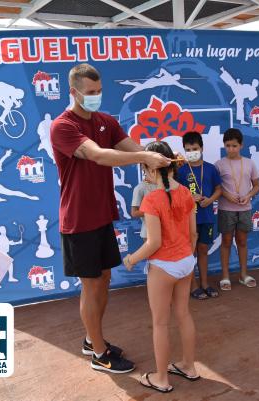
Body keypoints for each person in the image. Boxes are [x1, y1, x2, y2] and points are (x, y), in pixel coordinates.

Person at [50, 63, 170, 374]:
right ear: (73, 92)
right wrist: (145, 157)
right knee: (90, 285)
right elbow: (100, 155)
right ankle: (99, 354)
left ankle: (93, 339)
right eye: (90, 93)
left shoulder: (106, 121)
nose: (96, 97)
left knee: (104, 279)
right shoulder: (63, 126)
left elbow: (133, 148)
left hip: (103, 215)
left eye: (100, 91)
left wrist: (157, 159)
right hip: (78, 219)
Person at [124, 141, 199, 394]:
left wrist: (131, 259)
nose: (145, 174)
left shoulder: (152, 198)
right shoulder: (187, 193)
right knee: (184, 314)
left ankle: (162, 379)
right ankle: (189, 366)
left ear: (152, 168)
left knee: (160, 324)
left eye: (145, 168)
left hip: (163, 266)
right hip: (186, 263)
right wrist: (185, 256)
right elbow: (193, 234)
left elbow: (154, 242)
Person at [177, 131, 222, 300]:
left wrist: (210, 200)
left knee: (203, 249)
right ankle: (193, 285)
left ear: (201, 148)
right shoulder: (180, 171)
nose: (191, 152)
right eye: (187, 149)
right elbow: (175, 194)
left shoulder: (211, 169)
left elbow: (219, 189)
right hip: (188, 219)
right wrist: (189, 197)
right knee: (190, 253)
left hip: (207, 216)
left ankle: (205, 283)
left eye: (194, 148)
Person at [215, 128, 259, 291]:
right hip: (226, 209)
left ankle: (243, 274)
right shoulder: (219, 164)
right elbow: (217, 187)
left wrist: (248, 195)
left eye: (234, 146)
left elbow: (257, 185)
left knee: (242, 241)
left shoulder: (249, 163)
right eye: (227, 146)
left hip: (245, 209)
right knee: (226, 242)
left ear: (241, 145)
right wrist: (227, 195)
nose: (231, 149)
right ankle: (225, 276)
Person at [131, 170, 157, 239]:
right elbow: (134, 213)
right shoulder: (140, 188)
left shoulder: (164, 185)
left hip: (165, 230)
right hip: (148, 232)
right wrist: (155, 212)